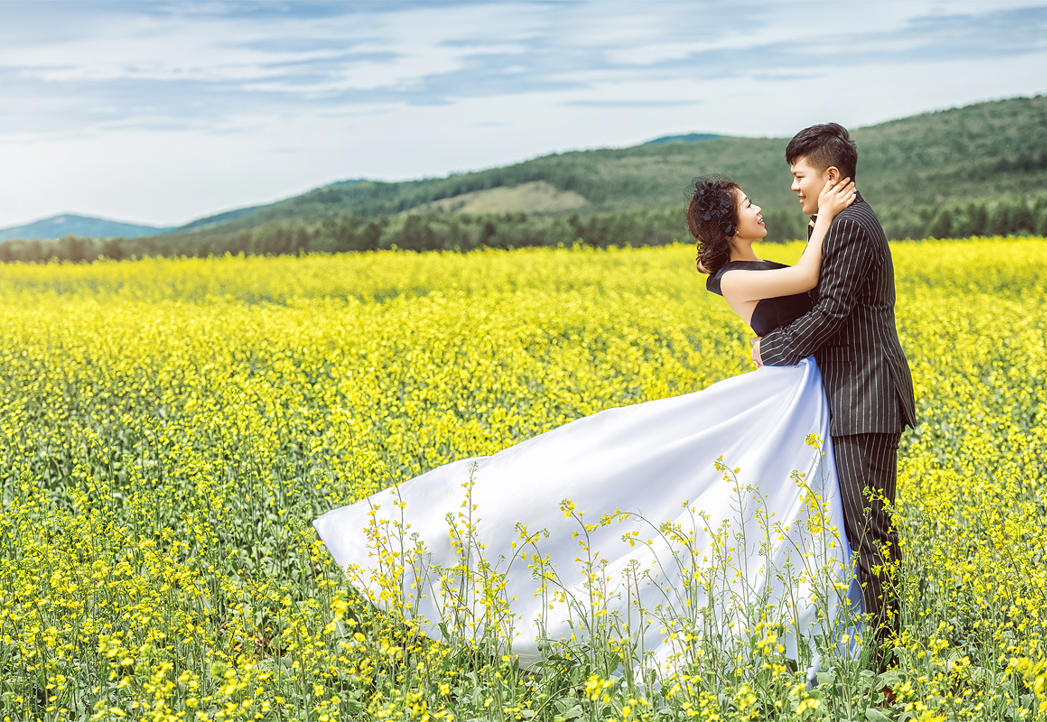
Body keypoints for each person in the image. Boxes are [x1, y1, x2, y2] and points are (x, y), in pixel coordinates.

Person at [312, 175, 861, 682]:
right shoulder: (732, 277)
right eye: (747, 203)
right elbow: (809, 278)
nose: (760, 206)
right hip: (781, 395)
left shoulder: (758, 263)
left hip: (795, 390)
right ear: (727, 223)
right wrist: (830, 215)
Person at [749, 123, 918, 674]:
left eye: (800, 177)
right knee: (864, 531)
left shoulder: (848, 226)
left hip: (865, 396)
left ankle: (887, 668)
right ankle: (875, 658)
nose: (794, 187)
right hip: (856, 394)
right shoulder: (839, 221)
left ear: (831, 176)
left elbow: (832, 311)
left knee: (870, 534)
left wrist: (770, 349)